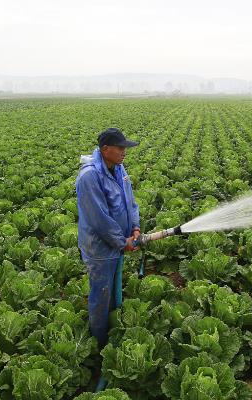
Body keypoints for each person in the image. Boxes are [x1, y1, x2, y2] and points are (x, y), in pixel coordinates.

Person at [75, 127, 141, 349]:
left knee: (114, 289)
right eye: (120, 148)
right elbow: (99, 219)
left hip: (118, 243)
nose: (124, 152)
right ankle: (99, 343)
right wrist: (123, 242)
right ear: (105, 149)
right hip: (100, 249)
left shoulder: (119, 168)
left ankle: (112, 330)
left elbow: (130, 201)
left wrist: (135, 228)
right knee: (102, 296)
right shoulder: (89, 176)